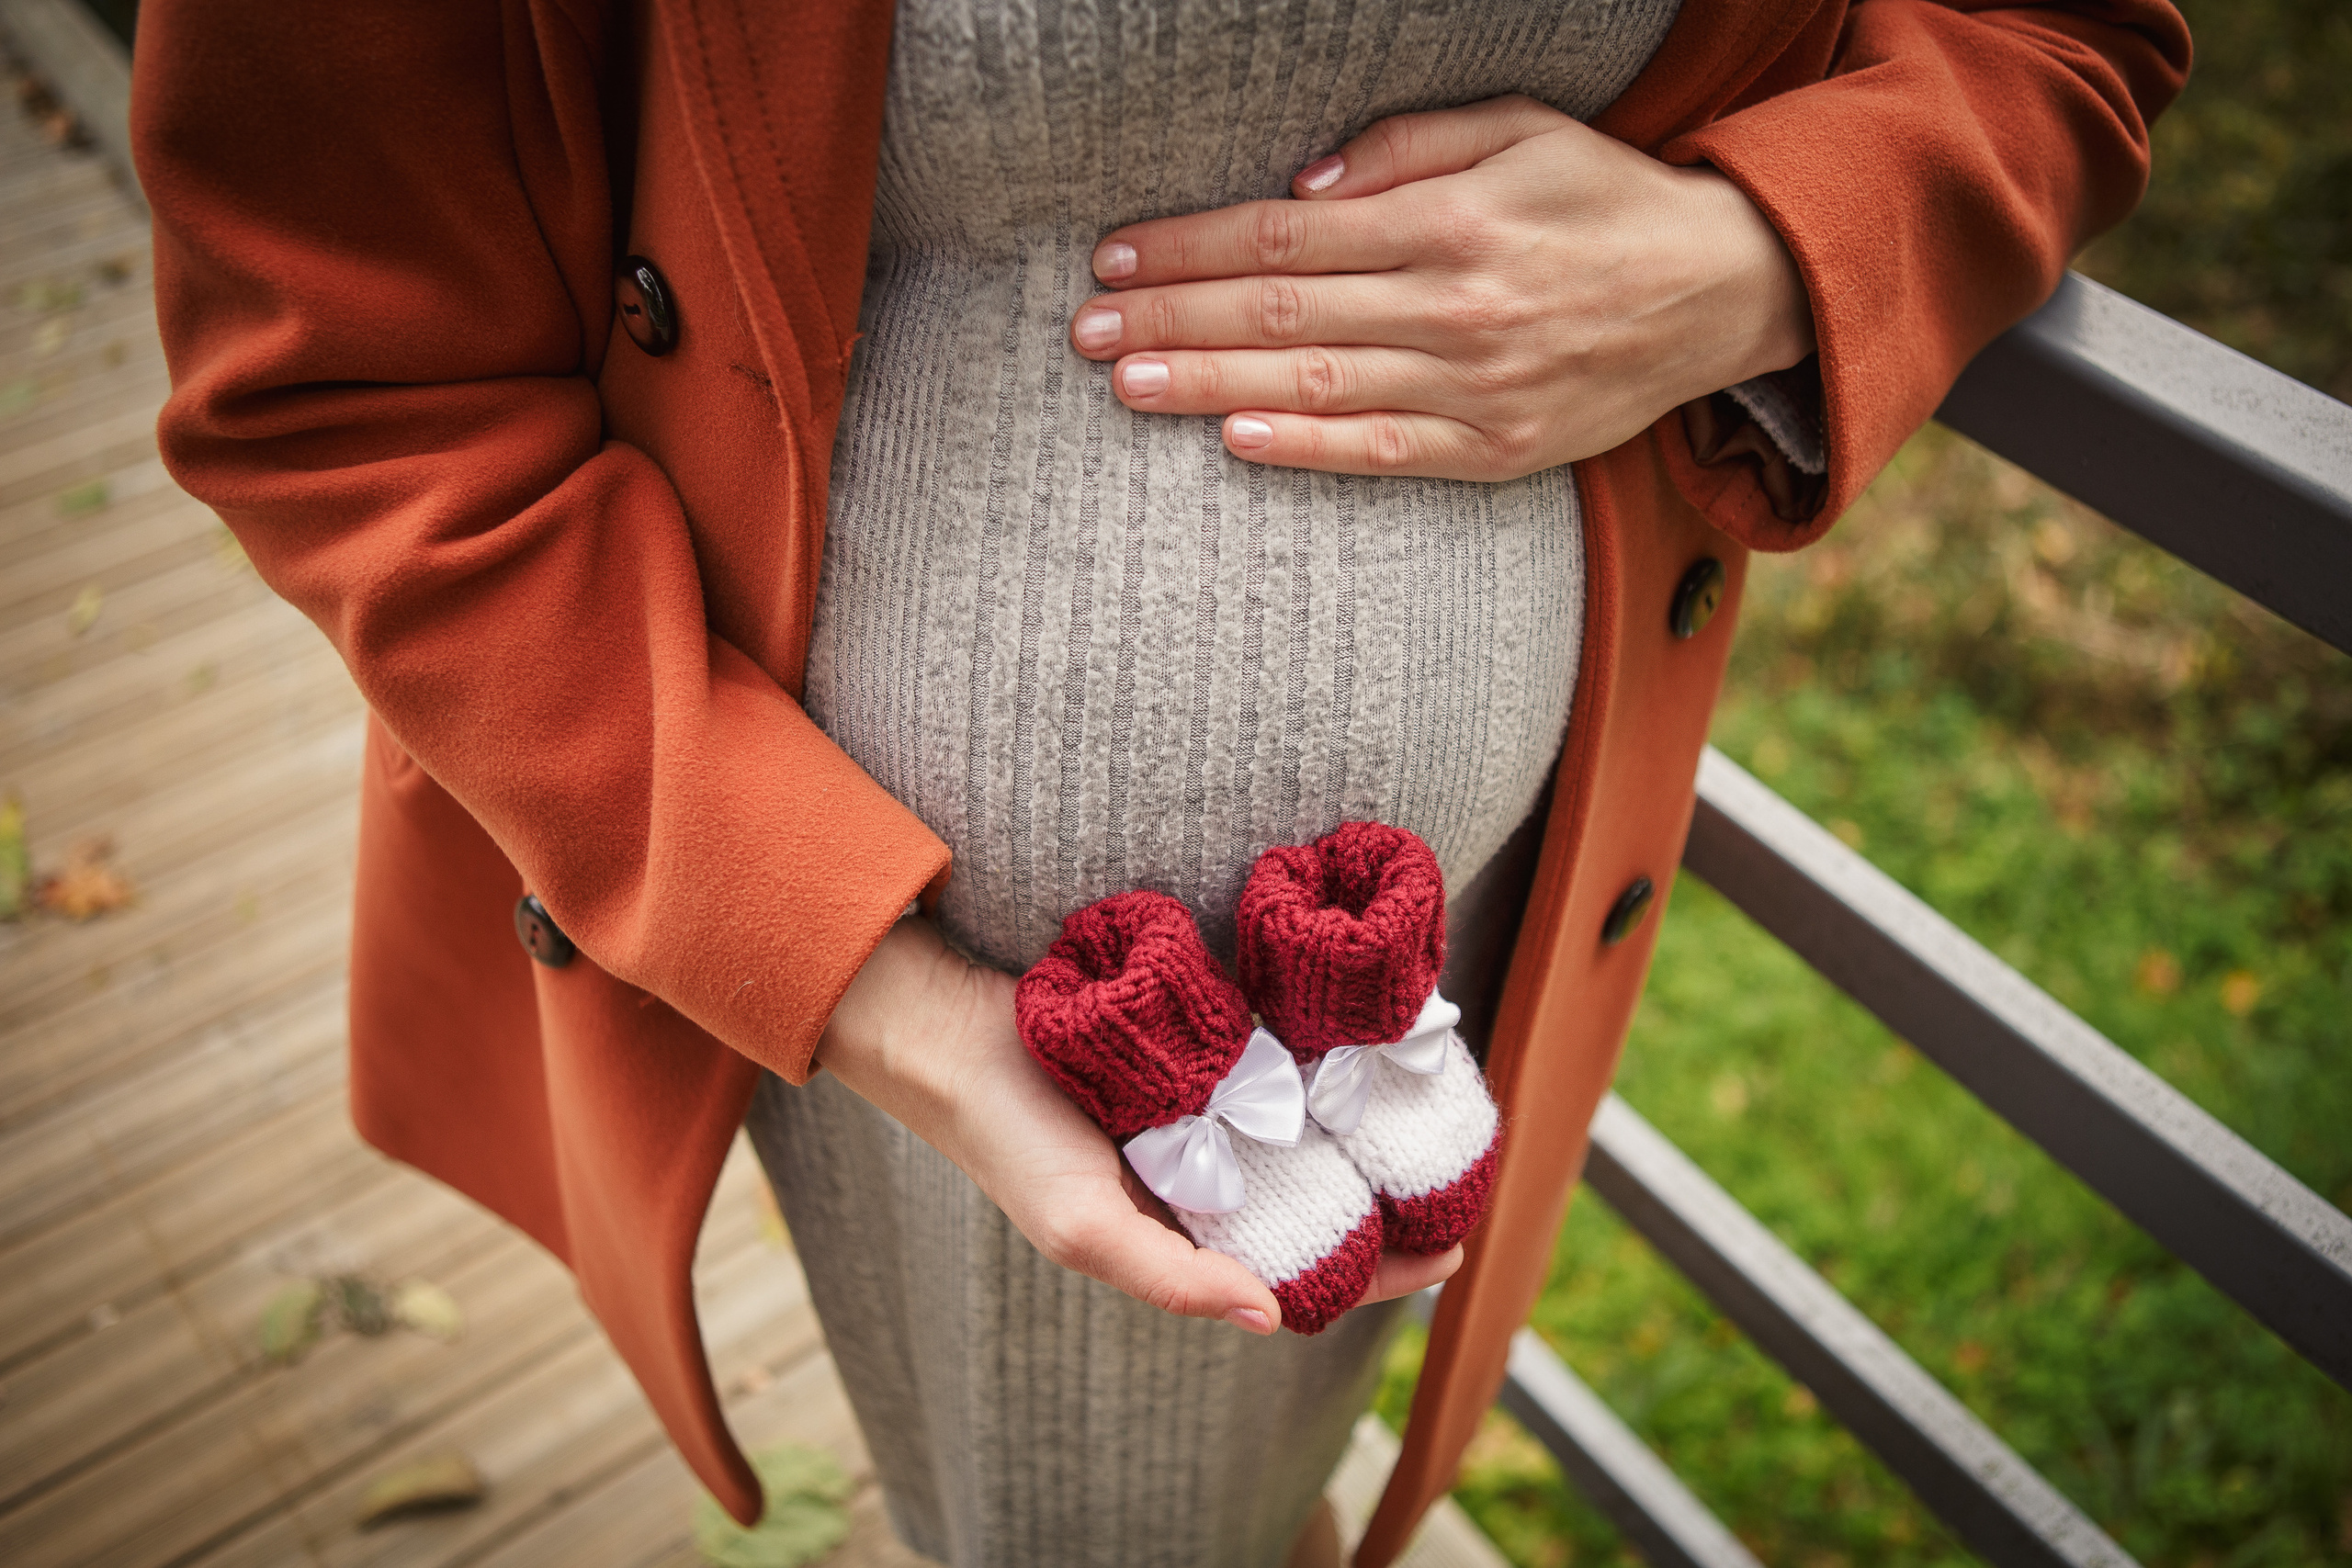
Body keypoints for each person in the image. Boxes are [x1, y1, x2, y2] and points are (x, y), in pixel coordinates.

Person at [132, 2, 2188, 1564]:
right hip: (883, 971)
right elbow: (348, 384)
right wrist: (890, 1002)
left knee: (1256, 1485)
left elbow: (2067, 39)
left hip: (1458, 919)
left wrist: (1750, 255)